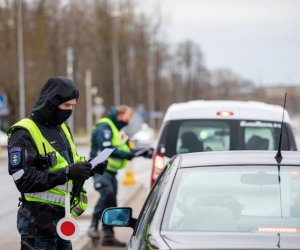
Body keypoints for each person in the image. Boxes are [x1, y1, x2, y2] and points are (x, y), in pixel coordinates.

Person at [7, 77, 107, 250]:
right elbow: (24, 180)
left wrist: (90, 168)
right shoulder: (23, 132)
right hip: (37, 225)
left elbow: (68, 165)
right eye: (66, 106)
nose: (70, 111)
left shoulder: (62, 129)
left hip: (62, 221)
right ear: (51, 103)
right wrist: (67, 172)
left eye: (73, 106)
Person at [87, 105, 152, 246]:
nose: (129, 121)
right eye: (128, 117)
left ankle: (109, 237)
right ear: (120, 115)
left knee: (112, 203)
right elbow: (108, 148)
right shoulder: (105, 127)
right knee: (107, 193)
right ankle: (93, 225)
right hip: (100, 170)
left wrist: (143, 151)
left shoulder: (117, 130)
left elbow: (128, 147)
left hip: (111, 172)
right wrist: (128, 155)